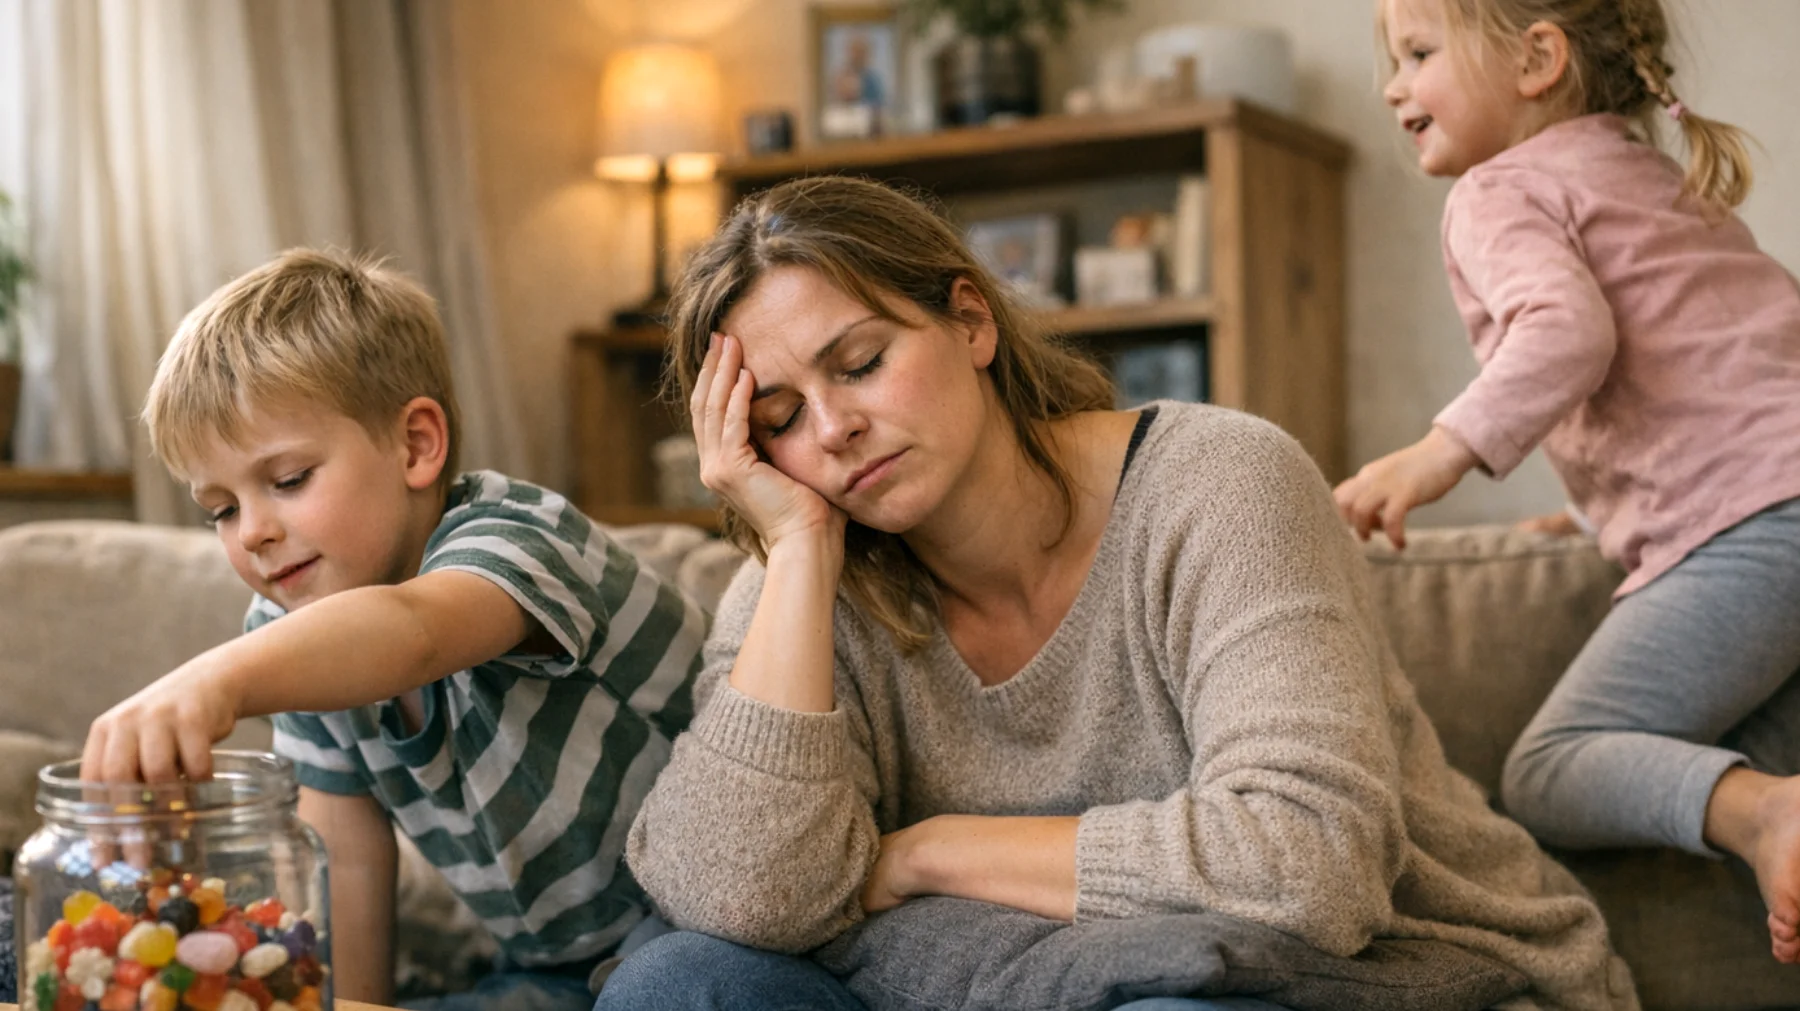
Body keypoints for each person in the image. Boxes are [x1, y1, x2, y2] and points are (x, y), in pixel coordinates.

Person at [597, 175, 1637, 1010]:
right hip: (1021, 981)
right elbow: (736, 896)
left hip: (1402, 975)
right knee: (679, 984)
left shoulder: (1219, 482)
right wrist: (800, 550)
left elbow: (1311, 865)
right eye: (778, 416)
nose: (830, 430)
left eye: (861, 363)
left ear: (970, 323)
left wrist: (921, 855)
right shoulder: (803, 566)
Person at [82, 249, 707, 1011]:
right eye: (221, 508)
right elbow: (344, 859)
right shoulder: (286, 630)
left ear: (416, 445)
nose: (252, 532)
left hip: (705, 926)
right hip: (550, 972)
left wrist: (211, 679)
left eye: (286, 481)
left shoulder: (523, 535)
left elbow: (411, 632)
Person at [1335, 0, 1800, 963]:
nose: (1393, 84)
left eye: (1419, 53)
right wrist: (1603, 513)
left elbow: (1568, 334)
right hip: (1772, 504)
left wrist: (1440, 449)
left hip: (1760, 525)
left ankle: (1766, 815)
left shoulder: (1498, 189)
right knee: (1752, 729)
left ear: (1537, 58)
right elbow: (1716, 383)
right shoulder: (1648, 174)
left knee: (1551, 770)